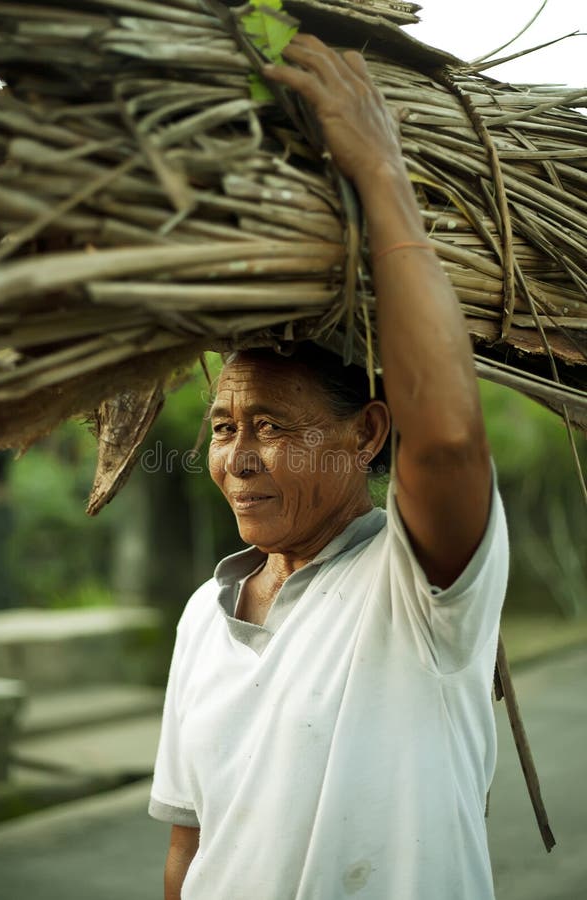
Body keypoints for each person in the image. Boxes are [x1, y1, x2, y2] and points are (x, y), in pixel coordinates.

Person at [149, 34, 508, 900]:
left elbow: (451, 439)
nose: (236, 459)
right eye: (225, 425)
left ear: (366, 434)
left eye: (271, 426)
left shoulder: (419, 592)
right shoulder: (205, 616)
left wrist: (381, 173)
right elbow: (188, 853)